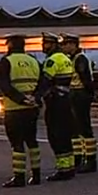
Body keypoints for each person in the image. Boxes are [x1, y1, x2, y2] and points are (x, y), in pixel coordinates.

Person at [0, 33, 43, 187]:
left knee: (17, 143)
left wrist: (20, 99)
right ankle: (36, 174)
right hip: (32, 108)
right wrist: (34, 98)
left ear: (9, 45)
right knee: (32, 140)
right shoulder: (33, 61)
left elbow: (5, 86)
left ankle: (19, 176)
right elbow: (42, 83)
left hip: (14, 108)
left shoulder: (6, 61)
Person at [33, 32, 76, 181]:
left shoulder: (52, 61)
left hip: (55, 102)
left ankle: (63, 169)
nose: (43, 47)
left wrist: (36, 96)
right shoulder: (66, 59)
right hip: (65, 100)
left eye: (45, 44)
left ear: (53, 44)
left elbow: (45, 81)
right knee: (65, 135)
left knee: (56, 135)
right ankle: (70, 167)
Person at [60, 32, 97, 173]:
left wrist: (88, 94)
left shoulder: (80, 59)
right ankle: (78, 158)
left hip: (80, 94)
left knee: (84, 128)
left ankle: (90, 160)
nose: (63, 47)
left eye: (65, 44)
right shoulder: (73, 58)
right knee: (75, 129)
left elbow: (85, 78)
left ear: (73, 45)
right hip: (74, 94)